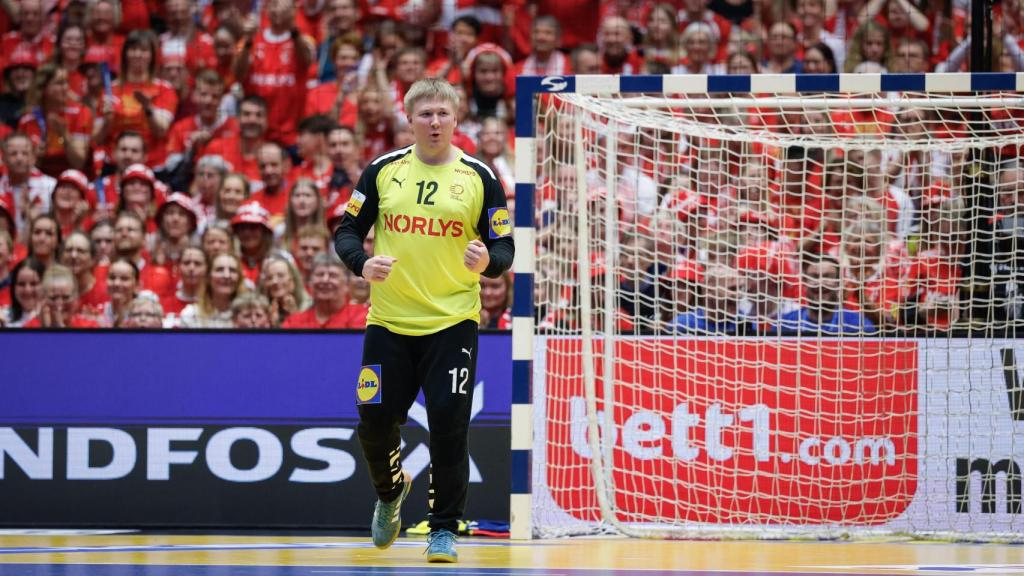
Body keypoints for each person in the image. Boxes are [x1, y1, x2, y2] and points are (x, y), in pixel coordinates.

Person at [334, 77, 514, 562]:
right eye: (425, 114)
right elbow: (347, 229)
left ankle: (443, 529)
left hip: (452, 321)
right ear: (409, 120)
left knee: (448, 425)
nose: (434, 122)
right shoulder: (383, 171)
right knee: (372, 420)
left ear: (456, 119)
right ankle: (392, 491)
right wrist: (361, 263)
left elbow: (505, 246)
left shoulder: (479, 176)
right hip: (389, 321)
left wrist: (488, 263)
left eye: (443, 114)